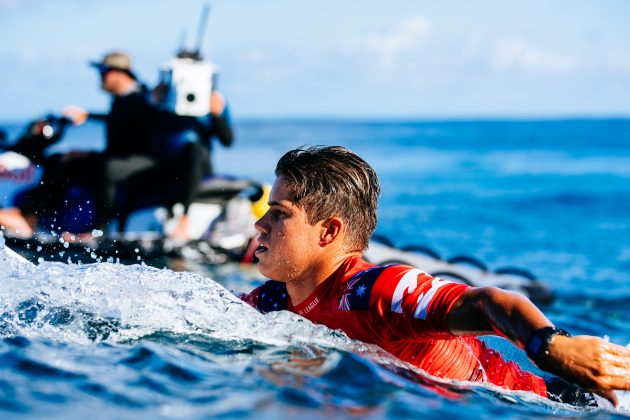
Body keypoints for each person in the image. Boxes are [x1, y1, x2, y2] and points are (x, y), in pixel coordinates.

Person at [241, 145, 630, 407]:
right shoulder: (271, 300)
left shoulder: (377, 290)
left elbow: (488, 302)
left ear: (328, 231)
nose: (260, 224)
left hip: (542, 406)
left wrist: (553, 348)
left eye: (280, 213)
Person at [57, 50, 233, 238]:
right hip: (162, 167)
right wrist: (153, 101)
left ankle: (184, 222)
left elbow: (227, 140)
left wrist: (216, 114)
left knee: (193, 151)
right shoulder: (162, 99)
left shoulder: (212, 100)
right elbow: (131, 122)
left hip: (193, 167)